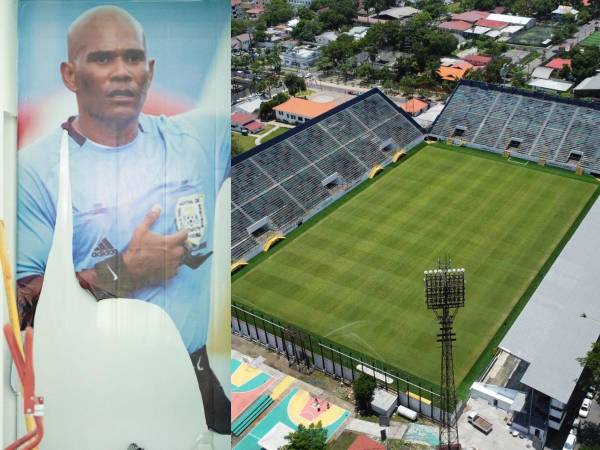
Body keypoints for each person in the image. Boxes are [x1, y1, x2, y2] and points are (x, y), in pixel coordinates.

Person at [16, 5, 229, 434]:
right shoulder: (33, 173)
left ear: (149, 71)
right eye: (101, 58)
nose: (122, 72)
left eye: (133, 58)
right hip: (101, 384)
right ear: (70, 75)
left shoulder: (200, 140)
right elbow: (19, 311)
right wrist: (122, 272)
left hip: (194, 370)